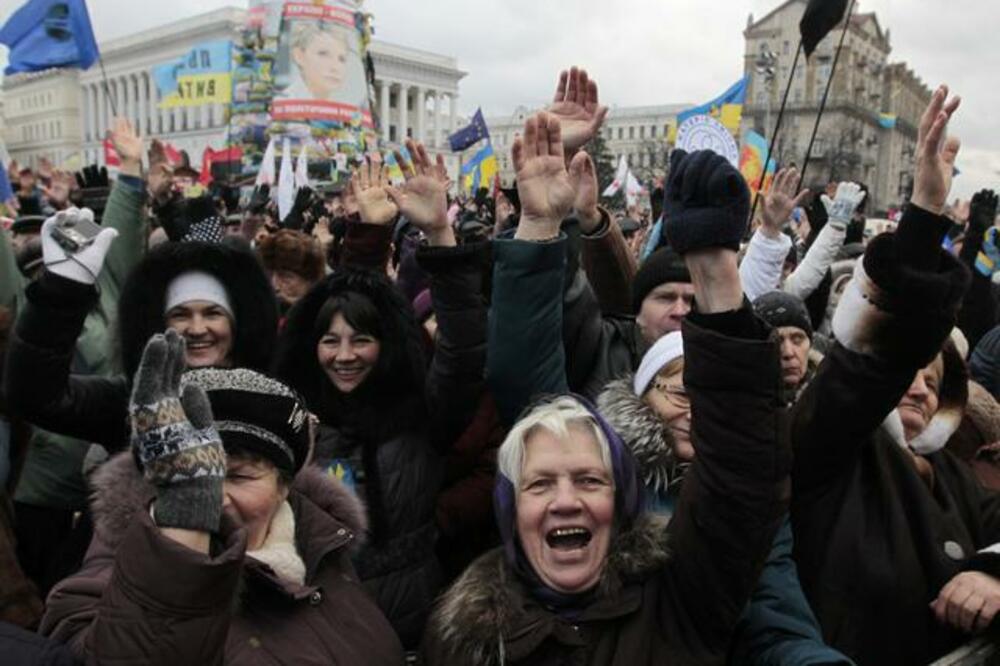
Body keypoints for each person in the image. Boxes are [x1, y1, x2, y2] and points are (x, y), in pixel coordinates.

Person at [420, 112, 791, 664]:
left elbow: (743, 474)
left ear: (622, 501)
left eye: (590, 480)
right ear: (509, 506)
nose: (566, 501)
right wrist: (539, 225)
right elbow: (521, 375)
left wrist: (716, 271)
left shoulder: (678, 600)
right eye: (539, 484)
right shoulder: (460, 640)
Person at [787, 86, 1000, 664]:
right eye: (911, 373)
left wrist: (992, 569)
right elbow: (875, 359)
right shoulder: (833, 451)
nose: (920, 387)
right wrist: (924, 216)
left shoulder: (954, 477)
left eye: (934, 381)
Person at [40, 333, 403, 665]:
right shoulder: (111, 575)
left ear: (284, 486)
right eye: (190, 477)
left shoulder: (321, 545)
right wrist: (183, 531)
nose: (214, 498)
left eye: (239, 476)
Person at [273, 141, 489, 650]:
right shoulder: (297, 421)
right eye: (330, 342)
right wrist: (368, 233)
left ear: (385, 346)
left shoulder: (419, 416)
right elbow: (351, 301)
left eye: (361, 341)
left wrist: (440, 234)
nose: (345, 356)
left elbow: (461, 354)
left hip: (412, 625)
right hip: (322, 627)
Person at [598, 332, 851, 665]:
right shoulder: (598, 480)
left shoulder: (754, 500)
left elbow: (777, 623)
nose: (696, 413)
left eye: (715, 403)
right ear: (643, 396)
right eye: (681, 394)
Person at [753, 290, 817, 402]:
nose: (788, 352)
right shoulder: (738, 404)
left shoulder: (828, 398)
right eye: (776, 341)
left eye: (797, 340)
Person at [284, 23, 350, 101]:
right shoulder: (283, 103)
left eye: (342, 59)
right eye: (323, 54)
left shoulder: (343, 106)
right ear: (299, 56)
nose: (335, 67)